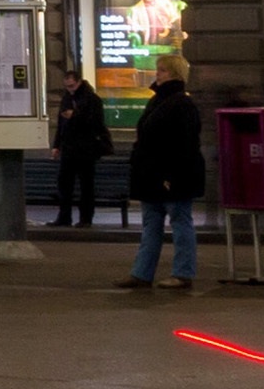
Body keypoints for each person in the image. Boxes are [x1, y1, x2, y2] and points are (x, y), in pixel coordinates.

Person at [123, 56, 206, 291]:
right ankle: (141, 273)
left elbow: (184, 144)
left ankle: (182, 274)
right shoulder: (159, 101)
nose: (157, 74)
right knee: (151, 224)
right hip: (151, 174)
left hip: (171, 175)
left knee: (180, 223)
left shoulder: (181, 103)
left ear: (175, 74)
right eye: (158, 69)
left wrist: (172, 175)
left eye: (162, 71)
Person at [51, 71, 113, 229]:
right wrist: (57, 145)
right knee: (65, 184)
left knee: (86, 185)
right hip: (69, 147)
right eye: (67, 86)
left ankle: (85, 218)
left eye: (72, 86)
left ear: (79, 82)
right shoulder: (67, 98)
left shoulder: (91, 99)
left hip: (86, 149)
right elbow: (61, 125)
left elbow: (95, 123)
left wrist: (75, 116)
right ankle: (64, 217)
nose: (70, 89)